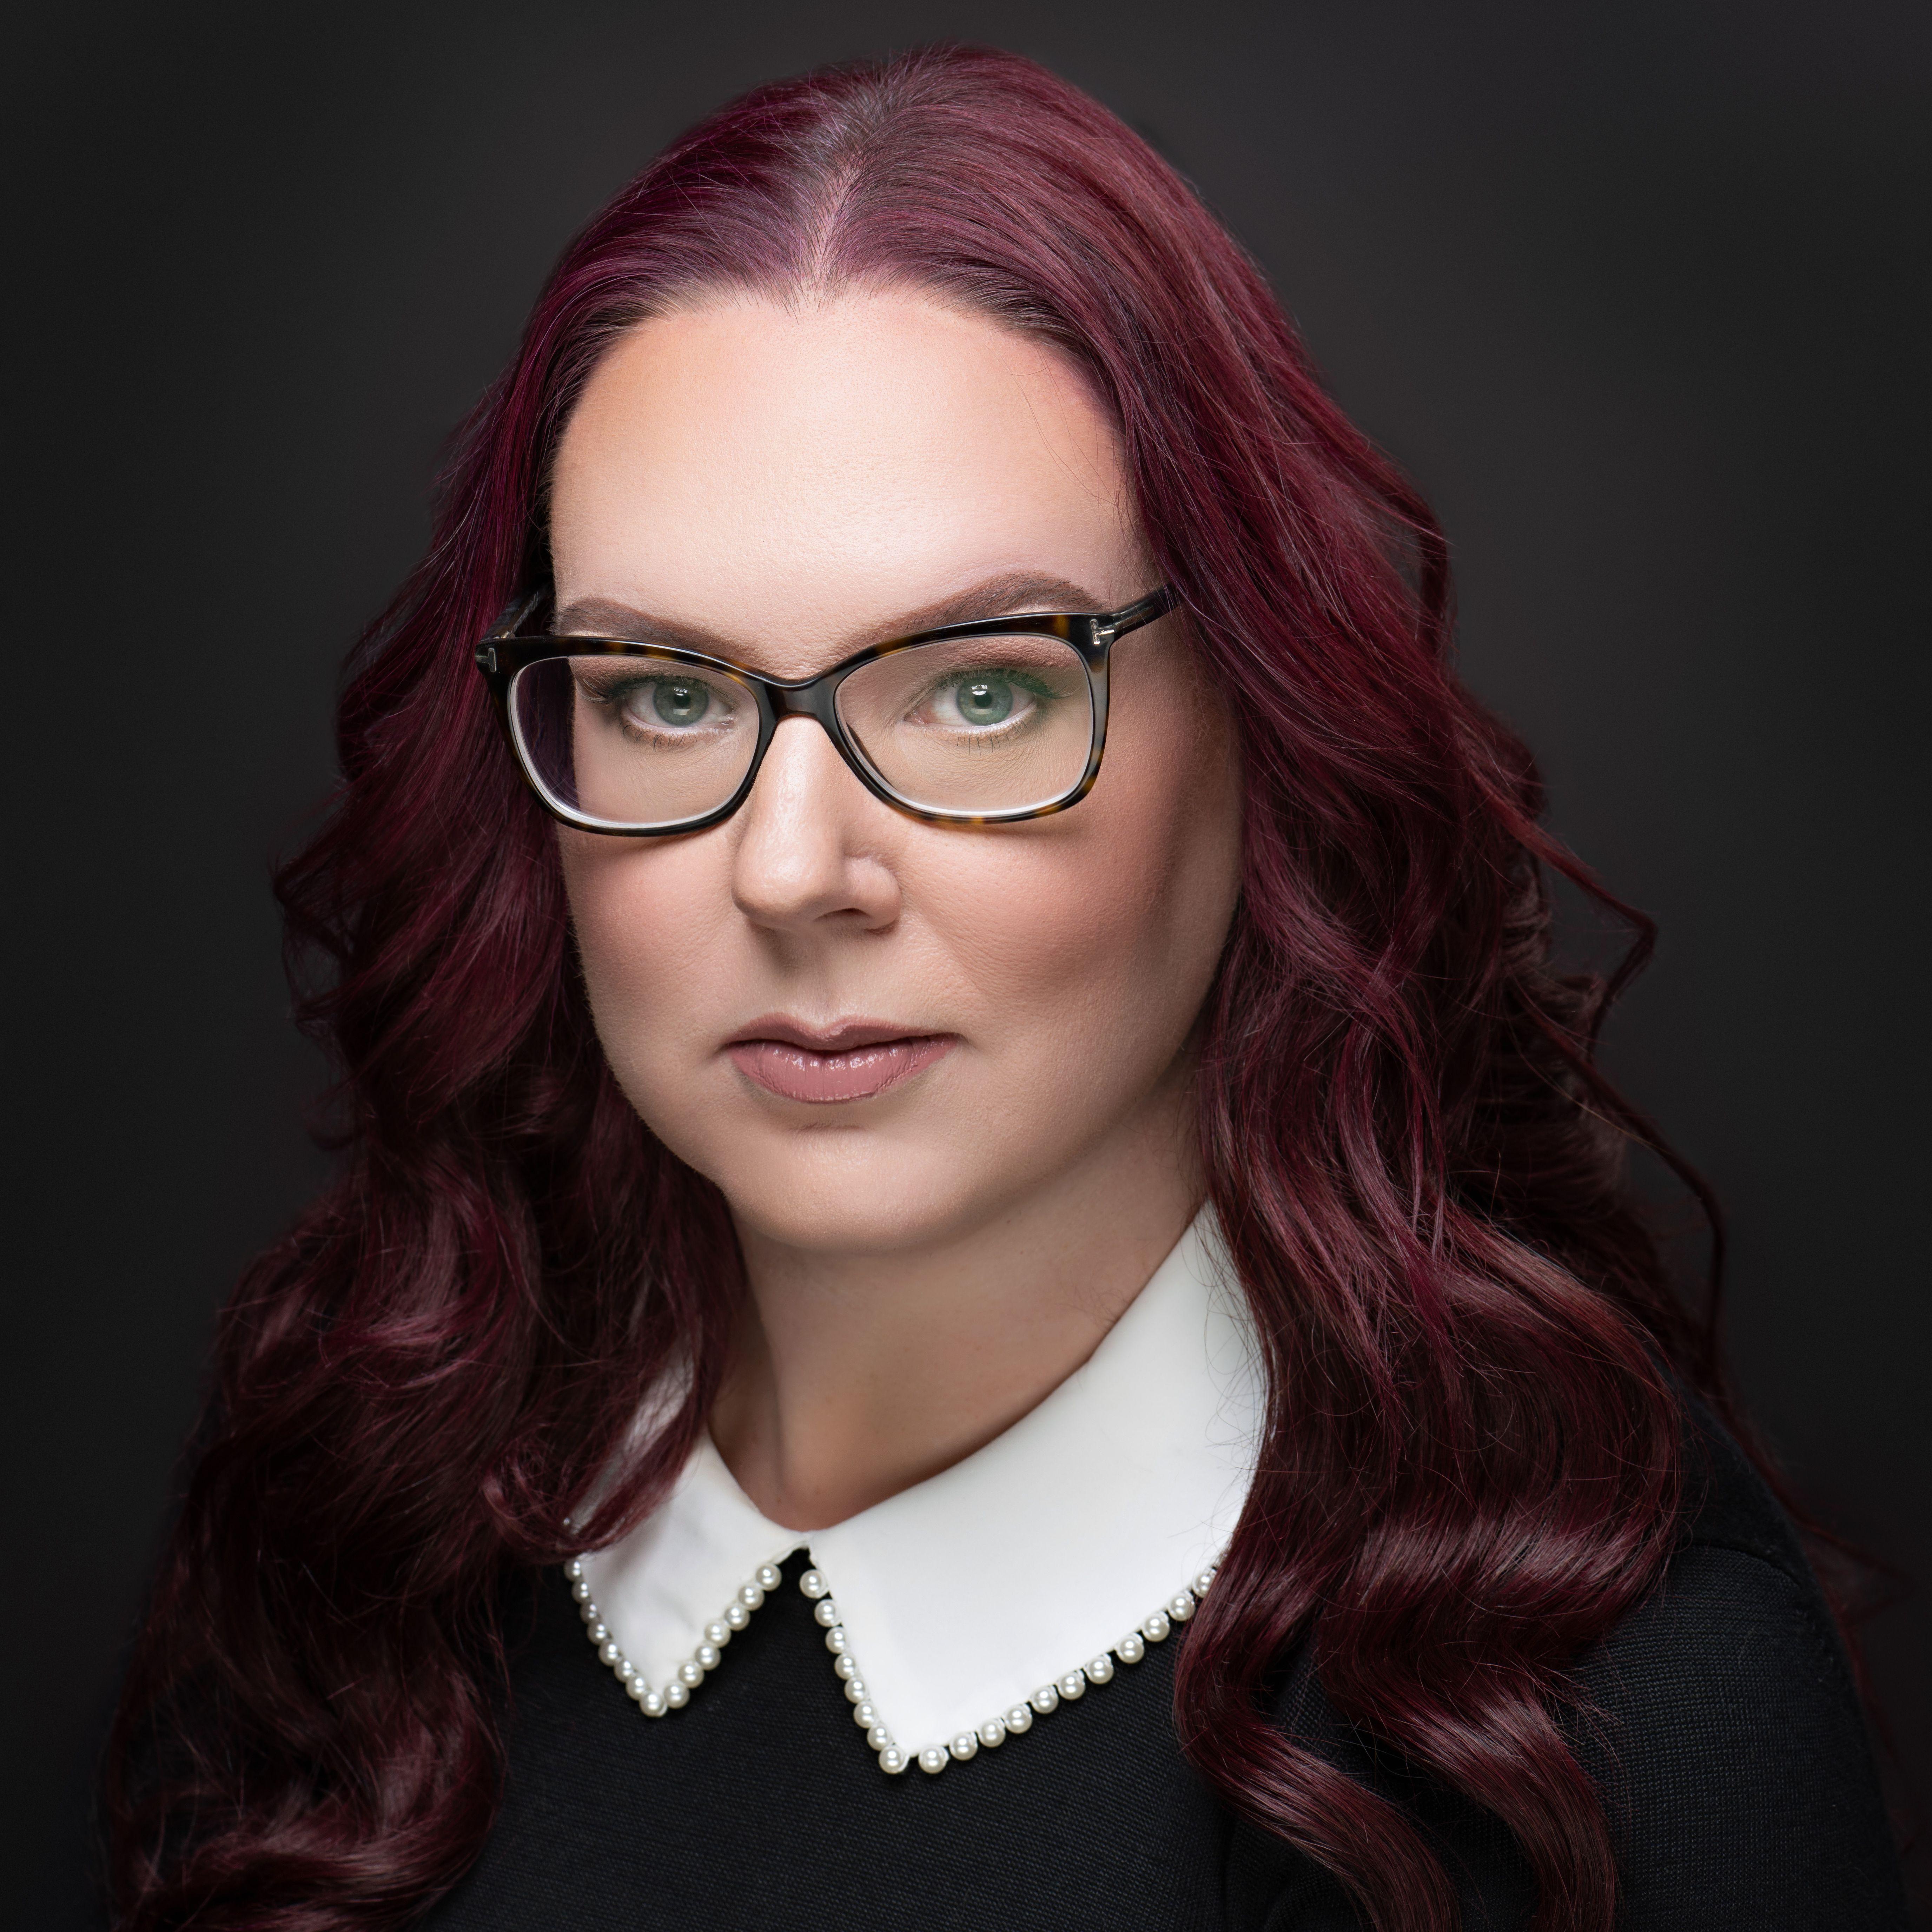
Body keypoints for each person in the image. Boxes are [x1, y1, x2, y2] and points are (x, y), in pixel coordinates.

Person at [104, 45, 1906, 1932]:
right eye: (667, 696)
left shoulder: (1597, 1716)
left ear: (1263, 727)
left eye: (981, 690)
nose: (793, 870)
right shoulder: (355, 1546)